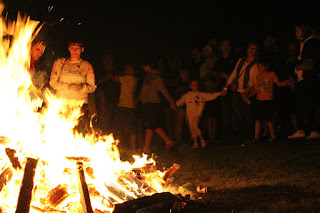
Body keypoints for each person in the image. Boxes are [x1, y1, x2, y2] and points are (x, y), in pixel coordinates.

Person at [49, 39, 97, 133]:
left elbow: (92, 87)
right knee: (61, 131)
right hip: (62, 104)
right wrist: (68, 87)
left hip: (80, 106)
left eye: (77, 48)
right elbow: (53, 83)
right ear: (69, 49)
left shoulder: (86, 66)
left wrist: (82, 87)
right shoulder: (59, 63)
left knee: (78, 133)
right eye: (72, 48)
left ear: (82, 49)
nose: (74, 51)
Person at [243, 57, 292, 144]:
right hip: (259, 100)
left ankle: (273, 136)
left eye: (261, 66)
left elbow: (279, 84)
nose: (259, 68)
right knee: (257, 119)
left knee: (268, 119)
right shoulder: (258, 77)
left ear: (266, 67)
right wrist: (247, 95)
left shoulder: (271, 74)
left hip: (268, 100)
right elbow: (256, 90)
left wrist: (287, 83)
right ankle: (256, 137)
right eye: (258, 67)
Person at [220, 42, 259, 140]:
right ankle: (243, 134)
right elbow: (233, 74)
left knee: (247, 113)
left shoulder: (256, 64)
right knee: (237, 112)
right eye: (250, 48)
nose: (251, 50)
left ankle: (250, 135)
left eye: (253, 49)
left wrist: (246, 92)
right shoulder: (241, 60)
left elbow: (252, 80)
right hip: (237, 91)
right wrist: (225, 87)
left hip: (247, 92)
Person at [288, 24, 320, 139]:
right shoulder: (302, 44)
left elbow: (311, 62)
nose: (296, 34)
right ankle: (301, 130)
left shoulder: (312, 43)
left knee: (309, 104)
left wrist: (298, 64)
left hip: (308, 78)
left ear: (304, 31)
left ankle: (314, 130)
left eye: (298, 31)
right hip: (301, 78)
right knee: (299, 104)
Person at [139, 59, 177, 154]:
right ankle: (146, 148)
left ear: (149, 65)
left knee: (153, 124)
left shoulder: (157, 78)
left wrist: (171, 102)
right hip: (147, 104)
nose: (143, 68)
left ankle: (167, 141)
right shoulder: (148, 77)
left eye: (145, 66)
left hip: (153, 104)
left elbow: (164, 90)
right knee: (150, 125)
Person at [176, 80, 220, 148]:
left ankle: (202, 140)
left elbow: (211, 96)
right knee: (192, 128)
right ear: (190, 86)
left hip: (197, 114)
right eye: (193, 85)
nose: (195, 87)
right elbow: (180, 101)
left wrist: (219, 93)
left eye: (196, 85)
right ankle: (196, 143)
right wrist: (174, 104)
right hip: (190, 114)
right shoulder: (187, 95)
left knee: (195, 126)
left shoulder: (201, 95)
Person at [111, 64, 138, 150]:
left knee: (118, 126)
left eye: (127, 68)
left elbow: (115, 78)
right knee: (131, 127)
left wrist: (110, 75)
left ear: (131, 70)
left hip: (123, 105)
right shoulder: (135, 79)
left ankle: (119, 145)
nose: (125, 69)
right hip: (131, 106)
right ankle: (132, 146)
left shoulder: (127, 78)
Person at [213, 39, 236, 136]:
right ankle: (228, 133)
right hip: (222, 89)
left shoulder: (235, 59)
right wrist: (219, 75)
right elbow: (215, 74)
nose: (225, 47)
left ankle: (237, 130)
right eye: (223, 45)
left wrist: (227, 76)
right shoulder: (218, 61)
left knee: (236, 110)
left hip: (234, 88)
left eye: (227, 45)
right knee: (225, 110)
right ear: (220, 48)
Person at [95, 53, 120, 134]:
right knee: (105, 119)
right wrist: (105, 79)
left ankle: (115, 140)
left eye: (109, 59)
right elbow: (95, 82)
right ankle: (105, 136)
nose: (107, 61)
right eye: (105, 59)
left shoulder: (117, 71)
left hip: (117, 100)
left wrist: (113, 78)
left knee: (116, 122)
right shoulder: (100, 72)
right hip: (104, 100)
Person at [199, 45, 219, 141]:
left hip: (213, 89)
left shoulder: (215, 62)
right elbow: (202, 78)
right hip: (205, 91)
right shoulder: (202, 65)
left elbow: (215, 75)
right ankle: (210, 134)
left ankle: (213, 134)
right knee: (207, 113)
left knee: (213, 113)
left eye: (206, 51)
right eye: (203, 51)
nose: (205, 53)